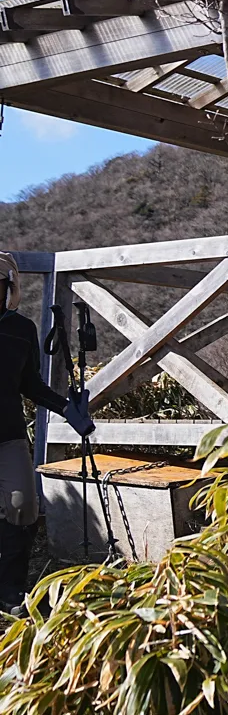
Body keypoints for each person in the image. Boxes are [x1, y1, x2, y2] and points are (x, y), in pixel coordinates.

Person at [0, 252, 93, 610]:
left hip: (8, 435)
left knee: (23, 507)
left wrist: (68, 409)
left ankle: (10, 591)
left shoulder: (21, 330)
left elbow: (31, 384)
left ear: (8, 289)